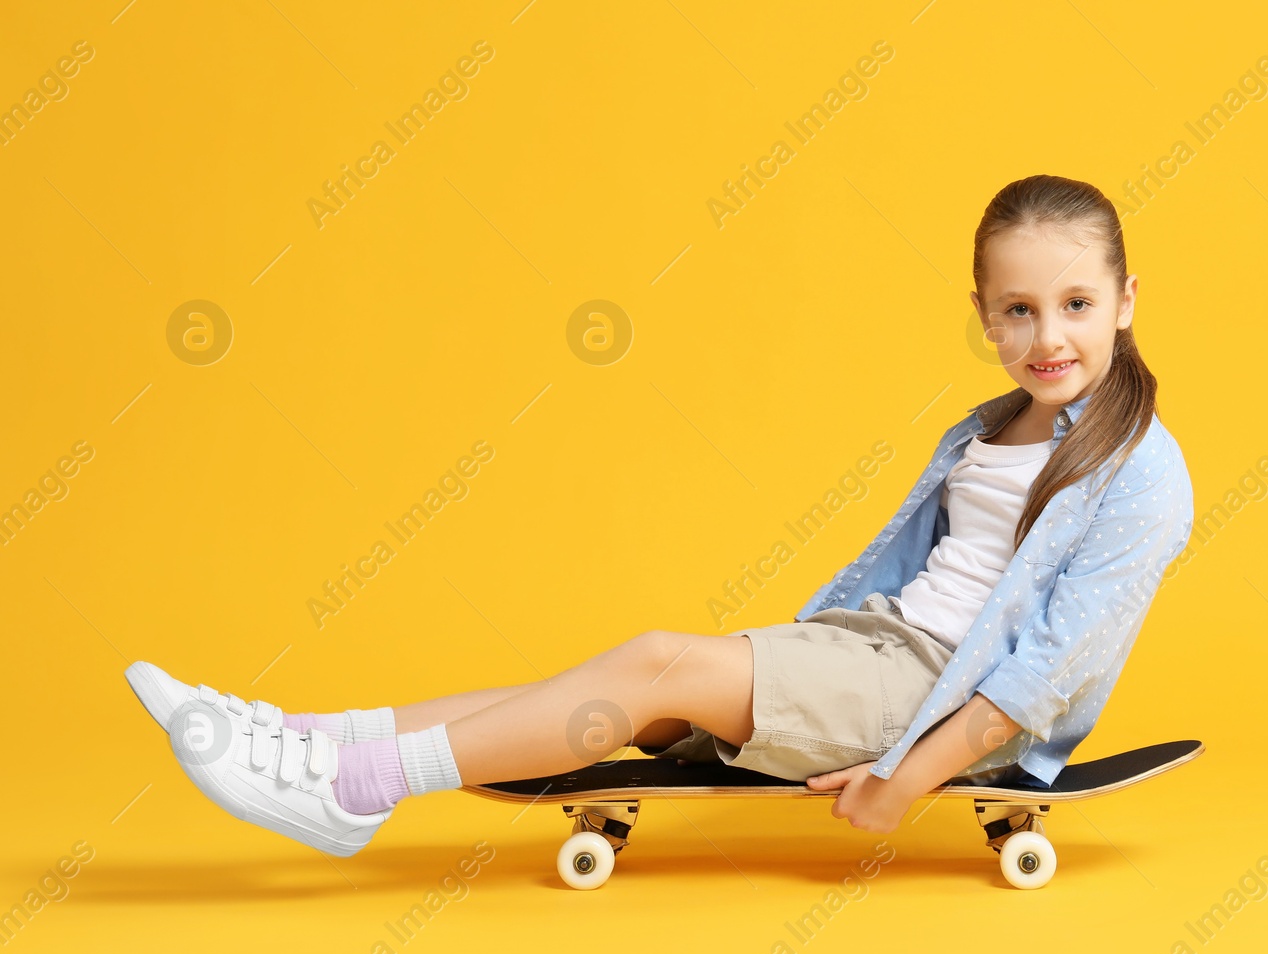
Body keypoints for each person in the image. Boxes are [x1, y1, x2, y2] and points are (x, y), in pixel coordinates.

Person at [125, 174, 1194, 858]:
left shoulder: (1142, 471)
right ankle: (291, 741)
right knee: (576, 697)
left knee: (652, 664)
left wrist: (907, 776)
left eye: (1075, 305)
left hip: (930, 694)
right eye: (1016, 309)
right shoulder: (985, 425)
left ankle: (355, 789)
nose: (1045, 334)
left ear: (1126, 299)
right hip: (873, 650)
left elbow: (1045, 669)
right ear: (981, 314)